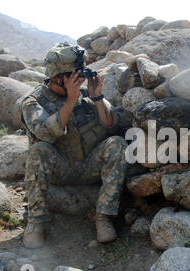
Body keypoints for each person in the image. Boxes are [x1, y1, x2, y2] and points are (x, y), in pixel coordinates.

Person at [21, 42, 127, 249]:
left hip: (88, 165)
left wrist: (97, 97)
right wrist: (70, 100)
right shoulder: (34, 102)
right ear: (57, 77)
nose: (79, 81)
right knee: (38, 151)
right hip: (60, 169)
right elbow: (44, 133)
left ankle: (103, 217)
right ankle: (35, 222)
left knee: (117, 144)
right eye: (74, 76)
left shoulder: (84, 93)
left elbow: (110, 122)